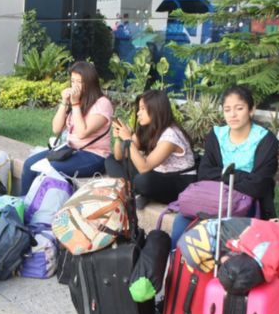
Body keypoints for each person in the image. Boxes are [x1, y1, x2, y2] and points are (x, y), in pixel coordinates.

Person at [169, 85, 279, 247]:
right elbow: (204, 174)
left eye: (239, 108)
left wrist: (223, 176)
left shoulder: (265, 140)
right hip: (214, 198)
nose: (232, 115)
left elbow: (258, 185)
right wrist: (239, 175)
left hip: (246, 203)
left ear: (251, 110)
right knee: (181, 221)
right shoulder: (216, 135)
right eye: (227, 109)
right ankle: (174, 266)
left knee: (218, 237)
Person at [20, 61, 113, 194]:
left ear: (90, 82)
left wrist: (75, 104)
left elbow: (82, 133)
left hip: (93, 155)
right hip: (69, 149)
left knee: (48, 169)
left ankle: (36, 209)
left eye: (79, 82)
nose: (75, 86)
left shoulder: (103, 104)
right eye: (73, 81)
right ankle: (22, 205)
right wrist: (64, 102)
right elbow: (56, 129)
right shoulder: (77, 100)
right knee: (29, 165)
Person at [104, 89, 196, 209]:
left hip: (178, 182)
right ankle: (137, 192)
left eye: (142, 109)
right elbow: (120, 156)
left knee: (143, 181)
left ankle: (136, 190)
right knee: (110, 161)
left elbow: (144, 167)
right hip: (157, 173)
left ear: (155, 110)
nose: (138, 113)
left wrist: (128, 139)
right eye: (139, 108)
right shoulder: (147, 128)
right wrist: (117, 138)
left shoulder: (171, 135)